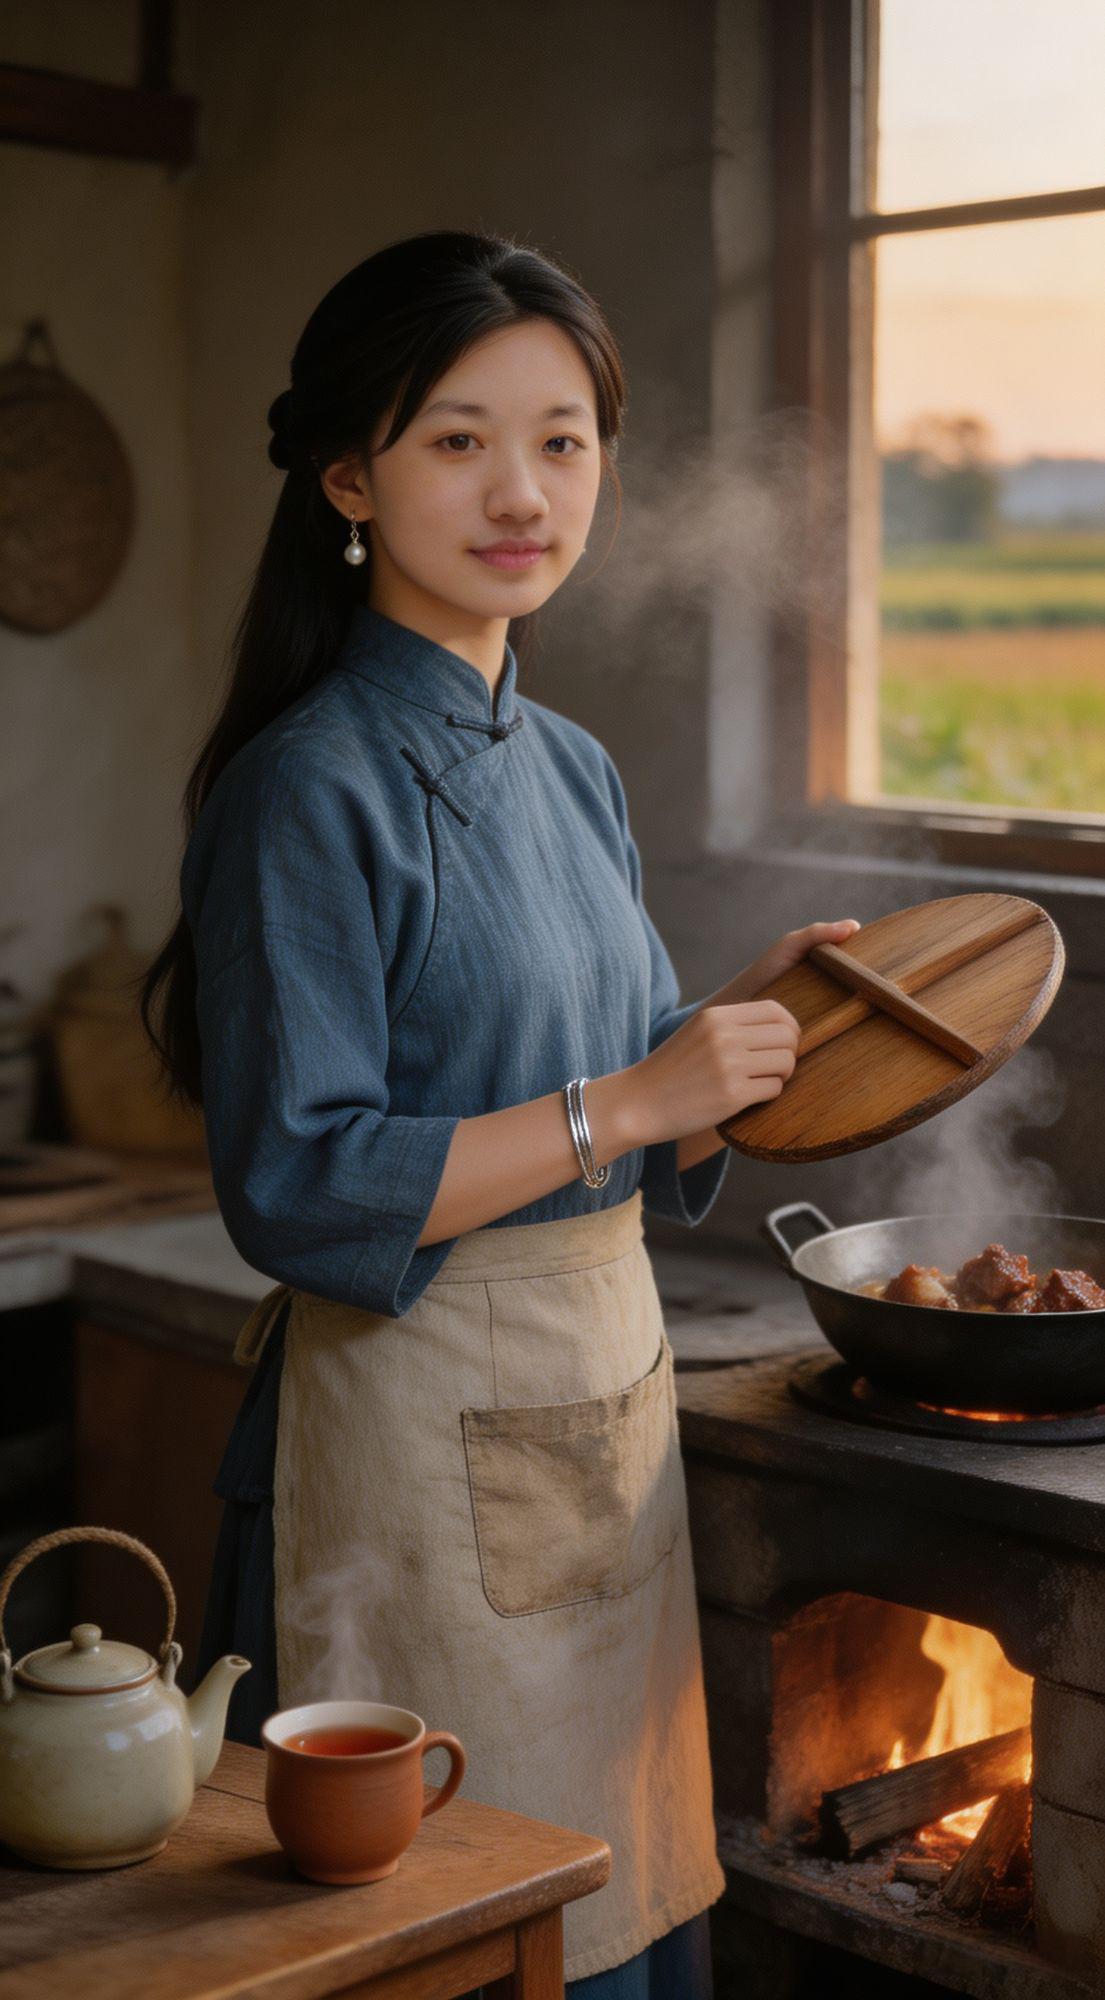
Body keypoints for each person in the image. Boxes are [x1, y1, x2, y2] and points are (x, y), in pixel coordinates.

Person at [141, 229, 859, 1999]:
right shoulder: (305, 783)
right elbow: (303, 1183)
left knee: (618, 1896)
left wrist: (719, 1040)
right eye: (458, 438)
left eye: (563, 439)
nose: (521, 490)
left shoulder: (569, 763)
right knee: (453, 1944)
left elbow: (595, 1099)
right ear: (347, 477)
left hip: (593, 1422)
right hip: (407, 1439)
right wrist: (629, 1097)